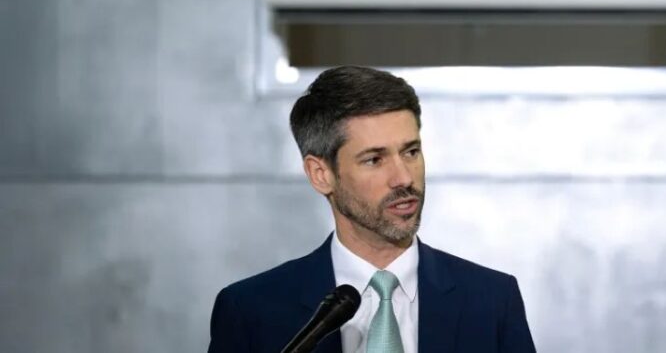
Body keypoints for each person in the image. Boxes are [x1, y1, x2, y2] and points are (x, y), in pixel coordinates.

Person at [208, 66, 537, 353]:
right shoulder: (250, 311)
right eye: (374, 160)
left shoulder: (492, 301)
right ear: (321, 175)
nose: (404, 178)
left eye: (410, 152)